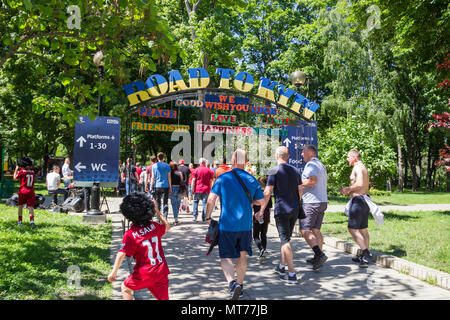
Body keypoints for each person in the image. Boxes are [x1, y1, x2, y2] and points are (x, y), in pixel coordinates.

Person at [205, 149, 264, 300]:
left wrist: (208, 216)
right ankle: (240, 284)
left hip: (227, 225)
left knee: (225, 257)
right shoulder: (252, 179)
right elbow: (260, 201)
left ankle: (232, 284)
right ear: (246, 161)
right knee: (242, 255)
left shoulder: (223, 178)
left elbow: (211, 199)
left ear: (232, 160)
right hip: (245, 225)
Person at [108, 192, 171, 300]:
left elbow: (121, 254)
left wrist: (113, 273)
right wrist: (157, 211)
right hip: (161, 271)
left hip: (144, 273)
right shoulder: (154, 226)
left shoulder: (131, 234)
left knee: (125, 287)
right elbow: (167, 227)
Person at [257, 146, 302, 284]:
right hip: (294, 209)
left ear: (277, 156)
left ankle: (292, 274)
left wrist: (261, 209)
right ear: (287, 156)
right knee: (286, 239)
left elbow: (267, 192)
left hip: (282, 209)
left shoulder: (274, 170)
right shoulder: (295, 170)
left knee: (285, 241)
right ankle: (281, 267)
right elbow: (300, 191)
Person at [340, 149, 374, 268]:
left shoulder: (358, 167)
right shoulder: (361, 166)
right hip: (364, 200)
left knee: (352, 229)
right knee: (363, 229)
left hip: (359, 201)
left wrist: (347, 189)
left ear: (354, 157)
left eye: (348, 157)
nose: (347, 159)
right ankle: (365, 256)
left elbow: (359, 184)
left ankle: (366, 254)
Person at [300, 145, 328, 270]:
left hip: (311, 202)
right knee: (316, 229)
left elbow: (312, 181)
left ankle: (319, 254)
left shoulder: (311, 165)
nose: (301, 154)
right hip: (322, 201)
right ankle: (318, 258)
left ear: (311, 153)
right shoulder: (321, 165)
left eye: (303, 152)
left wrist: (298, 184)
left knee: (305, 230)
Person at [252, 177, 272, 264]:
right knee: (264, 234)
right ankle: (263, 250)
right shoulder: (268, 194)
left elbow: (253, 203)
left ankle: (261, 249)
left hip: (257, 215)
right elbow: (270, 207)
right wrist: (269, 217)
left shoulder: (257, 192)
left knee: (256, 235)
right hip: (266, 215)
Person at [13, 157, 36, 228]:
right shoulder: (32, 172)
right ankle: (32, 221)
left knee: (20, 206)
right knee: (30, 206)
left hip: (23, 190)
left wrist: (16, 169)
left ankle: (20, 221)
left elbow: (14, 178)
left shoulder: (22, 171)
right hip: (31, 191)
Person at [191, 158, 213, 222]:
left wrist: (192, 189)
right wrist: (211, 189)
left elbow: (193, 180)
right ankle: (205, 217)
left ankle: (195, 216)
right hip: (206, 189)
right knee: (205, 203)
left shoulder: (196, 170)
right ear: (204, 162)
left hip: (197, 189)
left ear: (200, 162)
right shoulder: (209, 170)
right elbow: (211, 181)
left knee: (195, 202)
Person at [151, 153, 172, 219]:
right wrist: (170, 187)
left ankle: (158, 216)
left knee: (158, 202)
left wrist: (151, 186)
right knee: (165, 202)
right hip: (165, 185)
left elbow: (152, 177)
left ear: (157, 158)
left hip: (157, 185)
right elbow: (169, 177)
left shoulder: (154, 166)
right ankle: (165, 216)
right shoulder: (167, 166)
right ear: (163, 157)